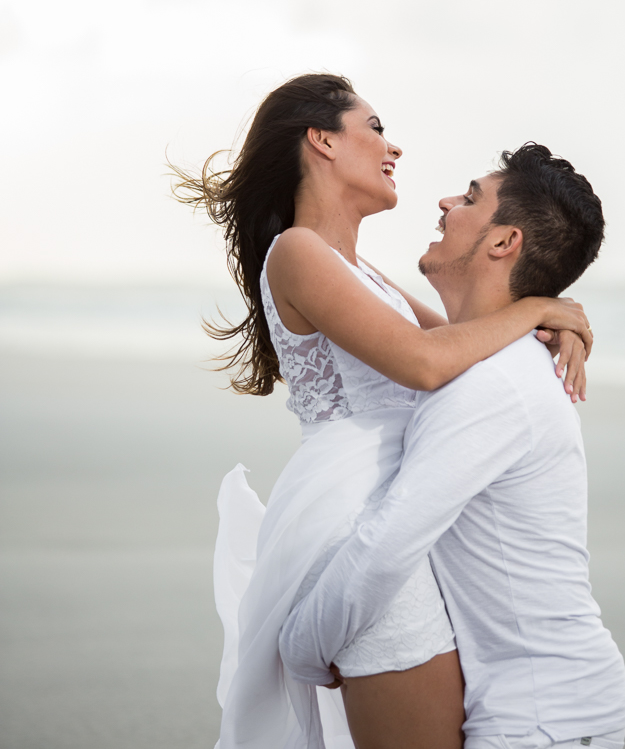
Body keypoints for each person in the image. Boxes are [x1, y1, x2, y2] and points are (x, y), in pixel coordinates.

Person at [173, 75, 592, 749]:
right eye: (373, 127)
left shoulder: (353, 266)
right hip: (354, 515)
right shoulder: (298, 251)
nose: (392, 145)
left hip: (387, 507)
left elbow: (460, 341)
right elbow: (424, 364)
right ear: (322, 140)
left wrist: (553, 319)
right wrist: (536, 309)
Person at [281, 143, 625, 749]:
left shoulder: (493, 383)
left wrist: (297, 650)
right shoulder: (485, 362)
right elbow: (369, 294)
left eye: (470, 197)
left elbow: (388, 545)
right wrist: (541, 308)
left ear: (503, 243)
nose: (445, 203)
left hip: (543, 718)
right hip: (544, 704)